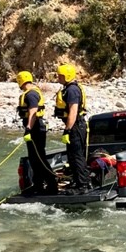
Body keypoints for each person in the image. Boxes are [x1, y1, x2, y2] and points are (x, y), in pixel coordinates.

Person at [16, 71, 57, 195]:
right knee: (34, 159)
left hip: (36, 128)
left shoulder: (31, 94)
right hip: (35, 127)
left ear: (21, 81)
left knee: (39, 158)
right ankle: (38, 184)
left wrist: (28, 128)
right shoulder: (31, 92)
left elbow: (33, 112)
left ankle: (52, 184)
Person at [54, 64, 91, 195]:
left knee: (77, 156)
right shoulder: (68, 89)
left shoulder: (72, 91)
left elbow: (73, 112)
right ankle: (77, 181)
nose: (58, 77)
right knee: (72, 156)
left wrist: (67, 130)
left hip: (76, 126)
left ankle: (83, 185)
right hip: (74, 126)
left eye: (60, 76)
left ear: (67, 76)